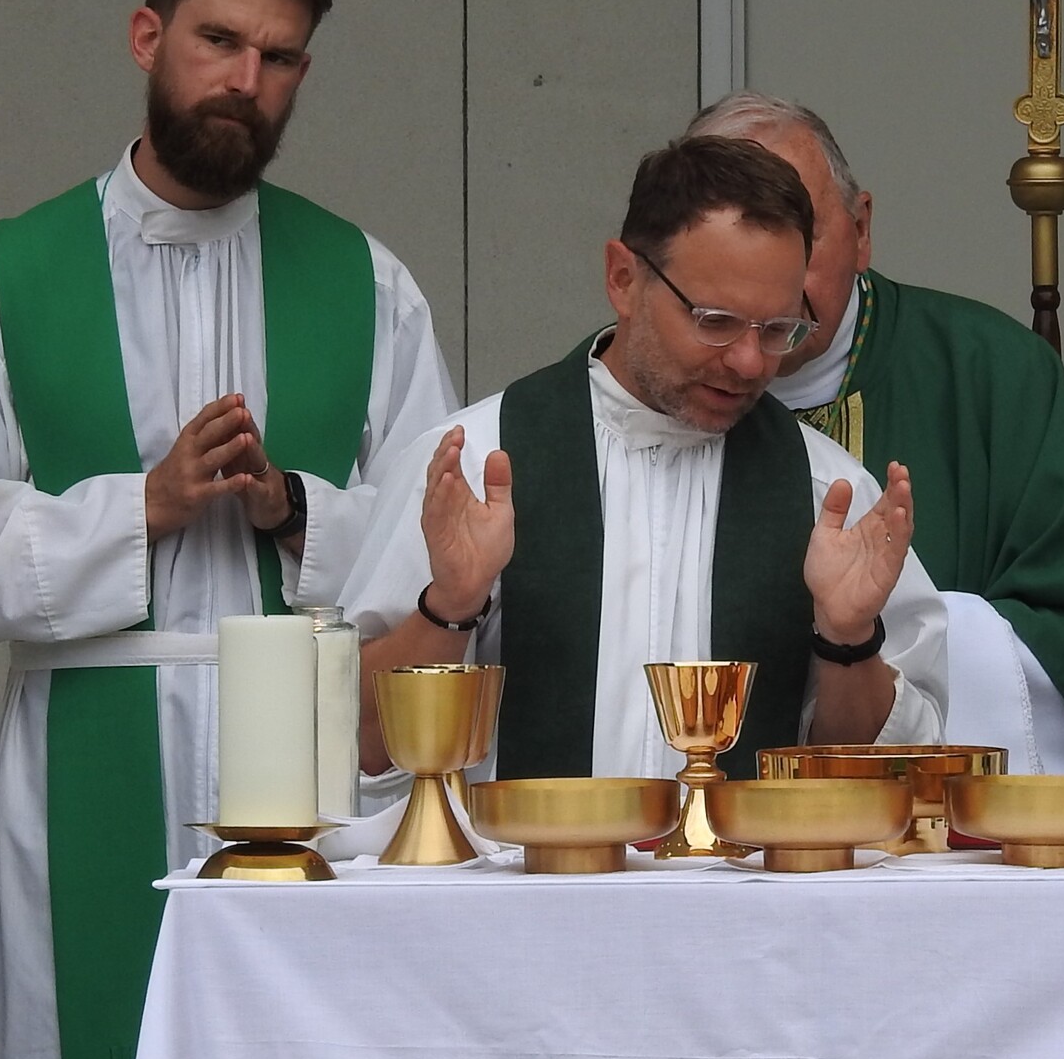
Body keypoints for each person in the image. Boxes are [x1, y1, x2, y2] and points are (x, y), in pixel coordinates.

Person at [0, 0, 456, 1059]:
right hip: (85, 747)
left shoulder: (366, 282)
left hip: (304, 765)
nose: (244, 81)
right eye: (219, 41)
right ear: (148, 35)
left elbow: (439, 546)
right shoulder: (9, 277)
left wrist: (292, 510)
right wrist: (136, 509)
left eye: (279, 57)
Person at [342, 134, 946, 784]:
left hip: (745, 856)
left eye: (777, 329)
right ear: (623, 279)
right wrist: (449, 604)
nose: (750, 362)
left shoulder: (825, 492)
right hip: (518, 855)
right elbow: (361, 750)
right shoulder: (473, 463)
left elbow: (886, 779)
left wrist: (848, 638)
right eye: (715, 321)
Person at [688, 93, 1064, 813]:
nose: (769, 277)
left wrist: (896, 635)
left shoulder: (990, 373)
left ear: (861, 229)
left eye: (797, 233)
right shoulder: (635, 390)